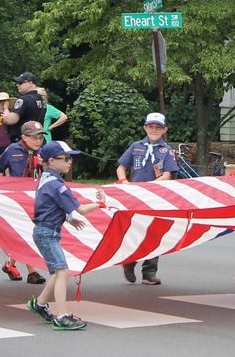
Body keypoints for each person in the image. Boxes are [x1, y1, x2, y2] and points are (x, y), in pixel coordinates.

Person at [26, 141, 106, 331]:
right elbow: (82, 209)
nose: (70, 162)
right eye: (66, 158)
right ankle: (62, 316)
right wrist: (100, 204)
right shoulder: (57, 184)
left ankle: (40, 304)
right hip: (47, 233)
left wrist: (69, 219)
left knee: (57, 272)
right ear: (52, 161)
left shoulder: (45, 178)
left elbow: (51, 206)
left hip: (45, 231)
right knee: (63, 272)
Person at [115, 112, 178, 285]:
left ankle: (149, 271)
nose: (154, 130)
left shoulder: (166, 151)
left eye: (158, 127)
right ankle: (130, 261)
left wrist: (151, 187)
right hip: (135, 196)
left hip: (157, 197)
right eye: (151, 127)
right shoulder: (136, 146)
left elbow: (167, 174)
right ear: (145, 127)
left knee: (155, 232)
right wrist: (124, 181)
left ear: (164, 129)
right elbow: (121, 167)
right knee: (135, 229)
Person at [0, 120, 48, 284]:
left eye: (40, 137)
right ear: (24, 137)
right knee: (26, 233)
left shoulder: (43, 152)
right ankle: (32, 271)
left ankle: (10, 264)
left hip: (36, 199)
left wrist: (46, 165)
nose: (38, 141)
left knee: (26, 234)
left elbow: (54, 176)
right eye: (34, 137)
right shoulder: (12, 150)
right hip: (17, 200)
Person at [2, 72, 46, 143]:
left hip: (23, 142)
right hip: (37, 139)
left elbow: (11, 120)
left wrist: (5, 108)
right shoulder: (41, 99)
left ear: (30, 83)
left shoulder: (23, 100)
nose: (17, 85)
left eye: (20, 83)